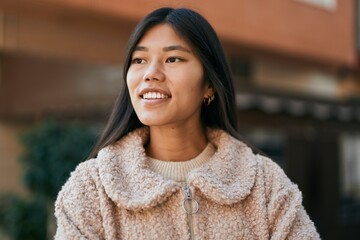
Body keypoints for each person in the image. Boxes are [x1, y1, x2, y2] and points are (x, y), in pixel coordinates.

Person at [54, 7, 320, 239]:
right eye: (139, 60)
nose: (150, 74)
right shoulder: (92, 189)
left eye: (173, 59)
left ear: (209, 85)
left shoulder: (264, 184)